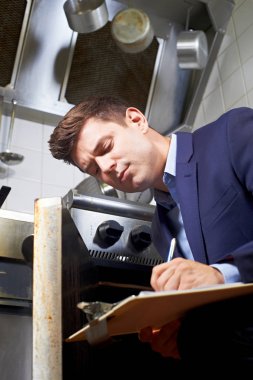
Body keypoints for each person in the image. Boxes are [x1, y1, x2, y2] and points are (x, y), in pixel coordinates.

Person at [49, 95, 253, 375]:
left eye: (106, 147)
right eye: (94, 169)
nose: (106, 168)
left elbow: (220, 278)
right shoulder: (160, 229)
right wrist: (182, 337)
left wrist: (222, 274)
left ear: (136, 120)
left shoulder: (232, 133)